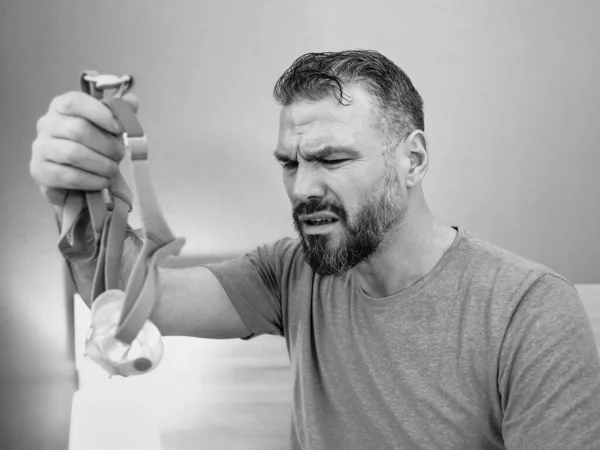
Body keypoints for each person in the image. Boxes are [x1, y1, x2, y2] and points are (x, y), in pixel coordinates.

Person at [30, 50, 600, 449]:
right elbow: (139, 302)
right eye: (289, 162)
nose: (302, 188)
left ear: (414, 159)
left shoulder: (529, 311)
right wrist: (75, 203)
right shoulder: (291, 273)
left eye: (331, 159)